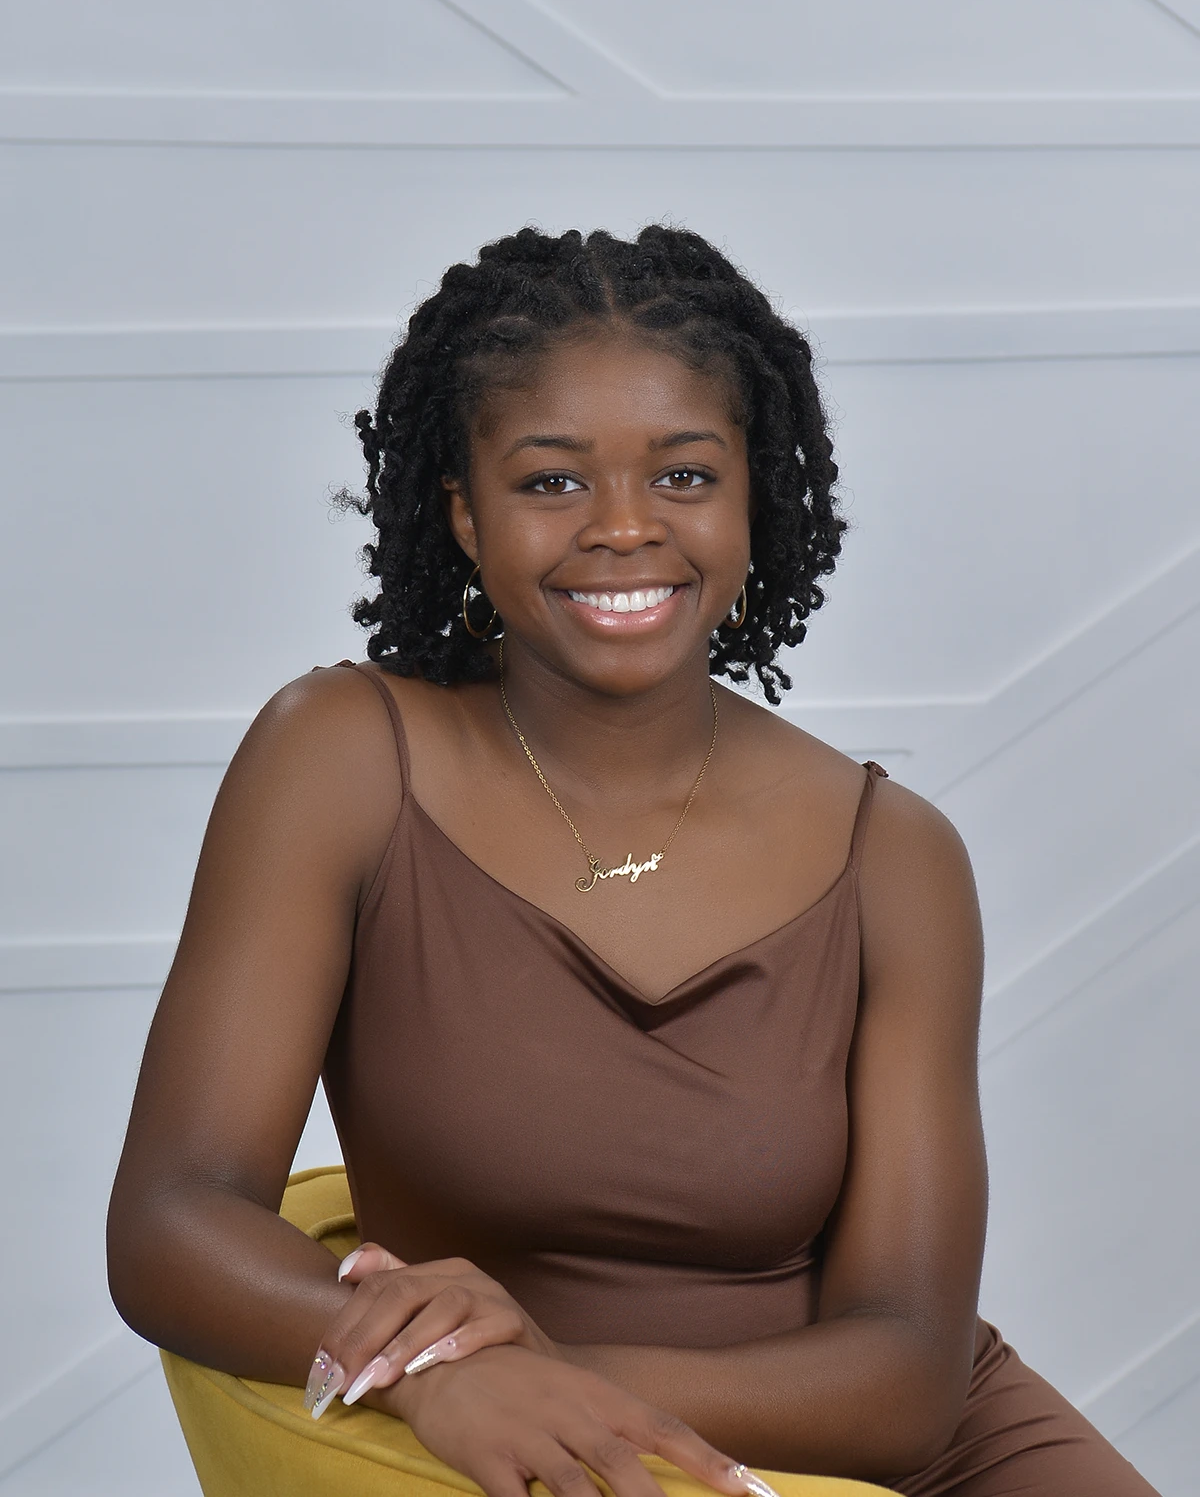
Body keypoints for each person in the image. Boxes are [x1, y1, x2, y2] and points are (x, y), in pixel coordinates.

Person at [106, 225, 1159, 1496]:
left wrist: (535, 1367)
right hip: (542, 1444)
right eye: (551, 482)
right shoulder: (341, 758)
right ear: (463, 510)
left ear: (752, 498)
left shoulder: (897, 857)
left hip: (886, 1447)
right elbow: (171, 1220)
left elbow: (908, 1377)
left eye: (684, 477)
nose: (622, 529)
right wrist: (453, 1374)